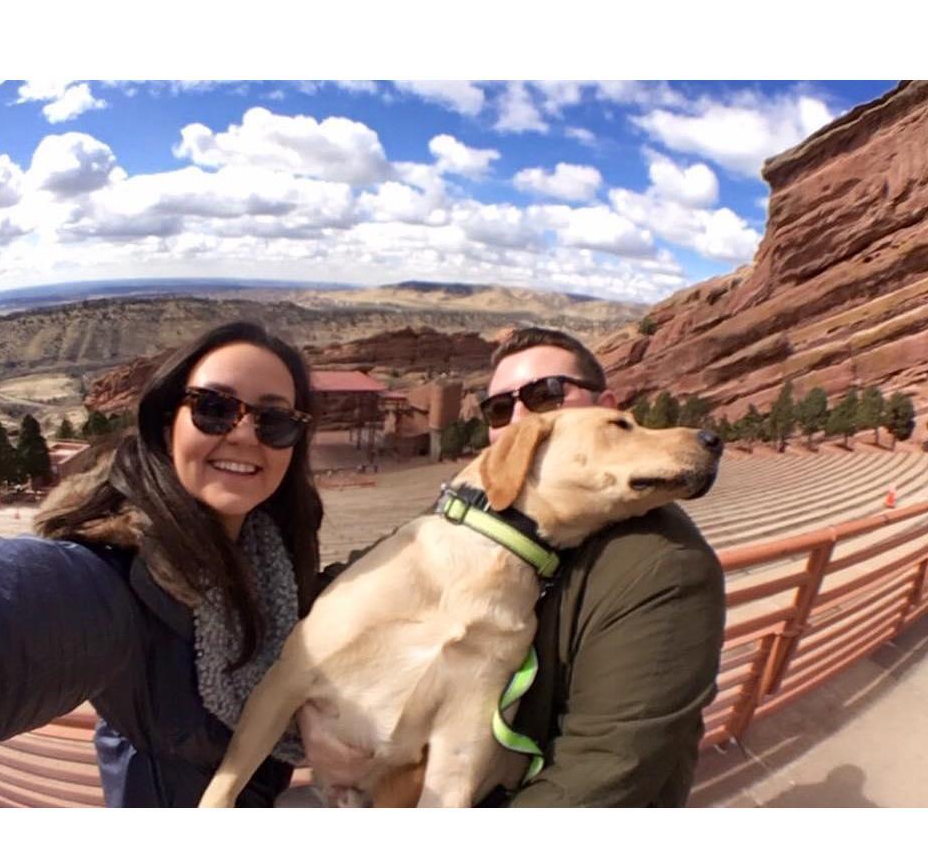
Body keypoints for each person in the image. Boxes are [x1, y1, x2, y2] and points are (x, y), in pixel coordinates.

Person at [298, 325, 726, 806]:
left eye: (546, 395)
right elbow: (359, 578)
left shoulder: (663, 569)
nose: (519, 418)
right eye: (499, 408)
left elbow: (601, 777)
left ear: (607, 406)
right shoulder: (485, 512)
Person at [0, 321, 323, 806]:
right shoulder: (121, 579)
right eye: (214, 409)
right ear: (165, 424)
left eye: (275, 421)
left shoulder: (273, 564)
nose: (244, 434)